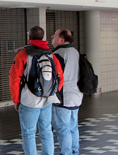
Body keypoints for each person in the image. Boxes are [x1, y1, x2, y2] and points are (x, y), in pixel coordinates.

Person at [9, 26, 64, 155]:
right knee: (46, 131)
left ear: (29, 37)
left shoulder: (23, 54)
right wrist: (51, 92)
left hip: (29, 100)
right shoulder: (50, 54)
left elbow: (14, 79)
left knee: (29, 133)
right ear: (42, 37)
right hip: (47, 100)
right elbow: (60, 77)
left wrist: (16, 100)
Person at [51, 29, 83, 155]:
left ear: (62, 40)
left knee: (63, 129)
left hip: (63, 98)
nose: (52, 37)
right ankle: (74, 152)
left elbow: (55, 77)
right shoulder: (75, 52)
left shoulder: (59, 54)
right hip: (76, 96)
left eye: (55, 35)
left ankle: (66, 153)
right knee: (73, 128)